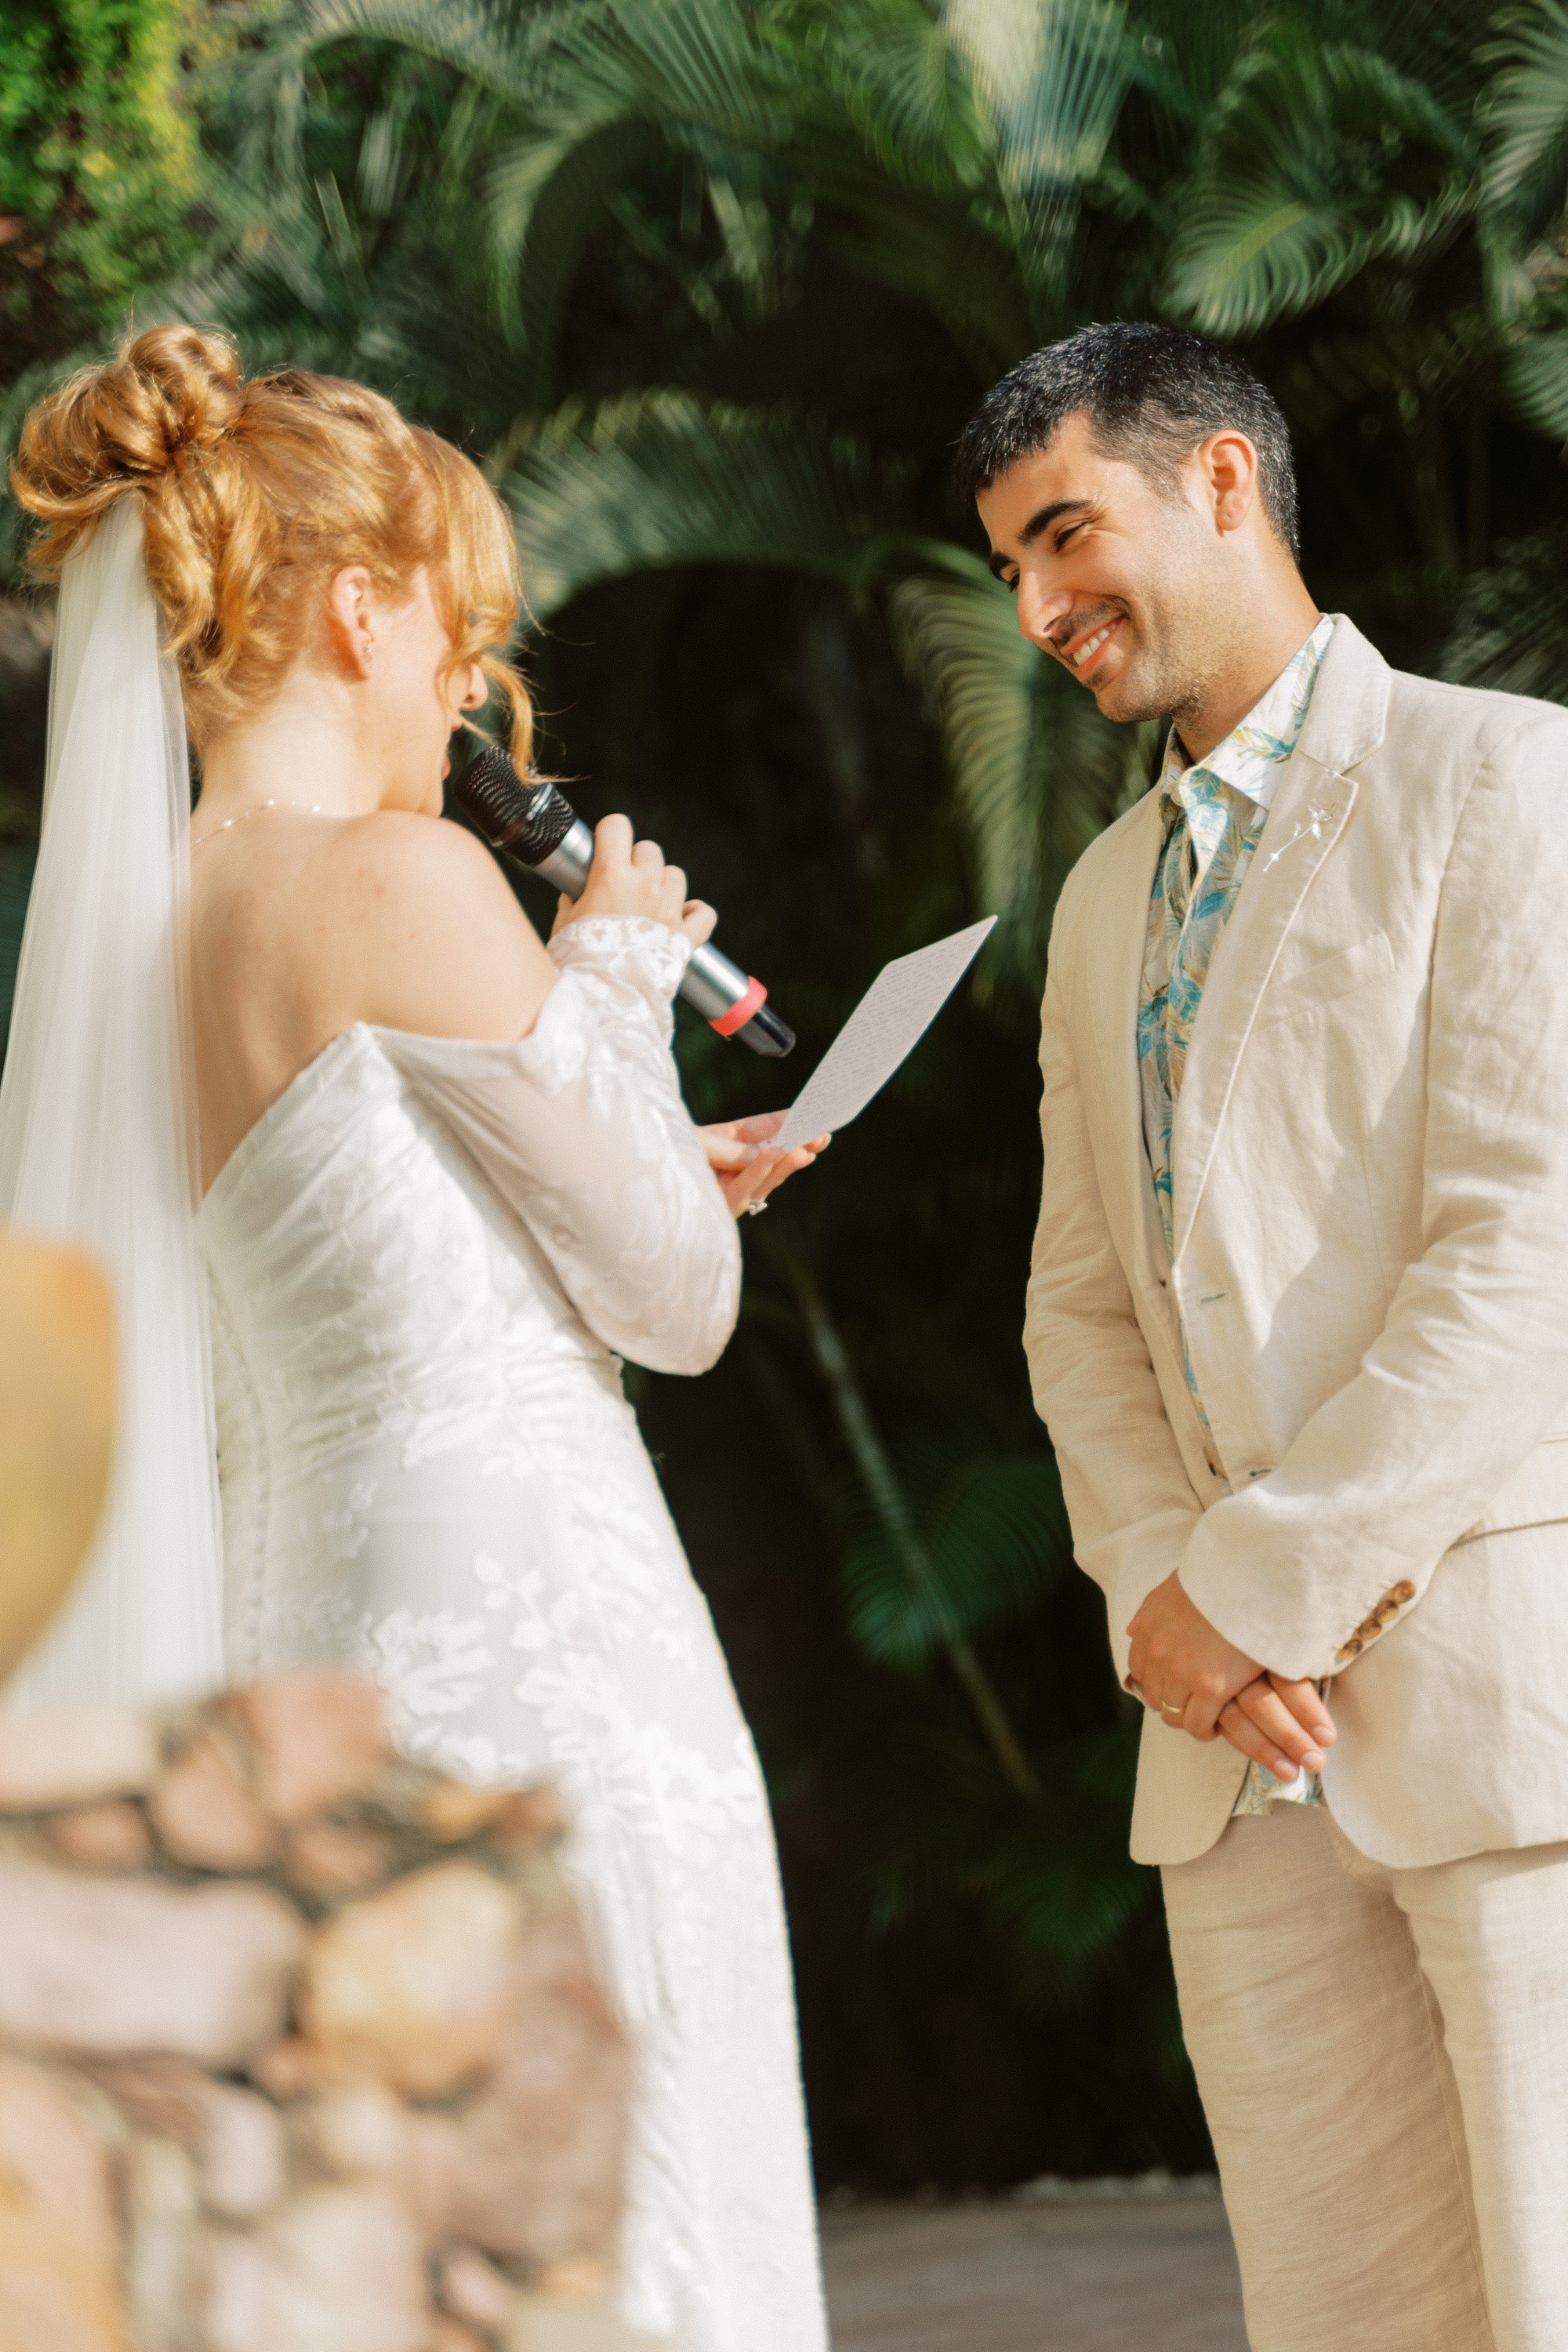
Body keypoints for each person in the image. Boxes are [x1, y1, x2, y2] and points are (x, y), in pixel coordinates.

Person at [4, 325, 828, 2352]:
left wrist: (622, 1135)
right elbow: (680, 1303)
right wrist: (619, 974)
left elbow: (365, 1255)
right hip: (535, 1657)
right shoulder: (399, 874)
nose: (473, 686)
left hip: (314, 1664)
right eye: (461, 630)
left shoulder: (146, 938)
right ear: (361, 607)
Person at [958, 320, 1568, 2350]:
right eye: (1013, 572)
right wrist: (1160, 1597)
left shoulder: (1501, 777)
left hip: (1503, 1734)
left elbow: (1529, 1246)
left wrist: (1262, 1588)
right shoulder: (1099, 899)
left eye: (1066, 536)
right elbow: (1074, 1302)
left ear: (1221, 478)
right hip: (1228, 1776)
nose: (1041, 610)